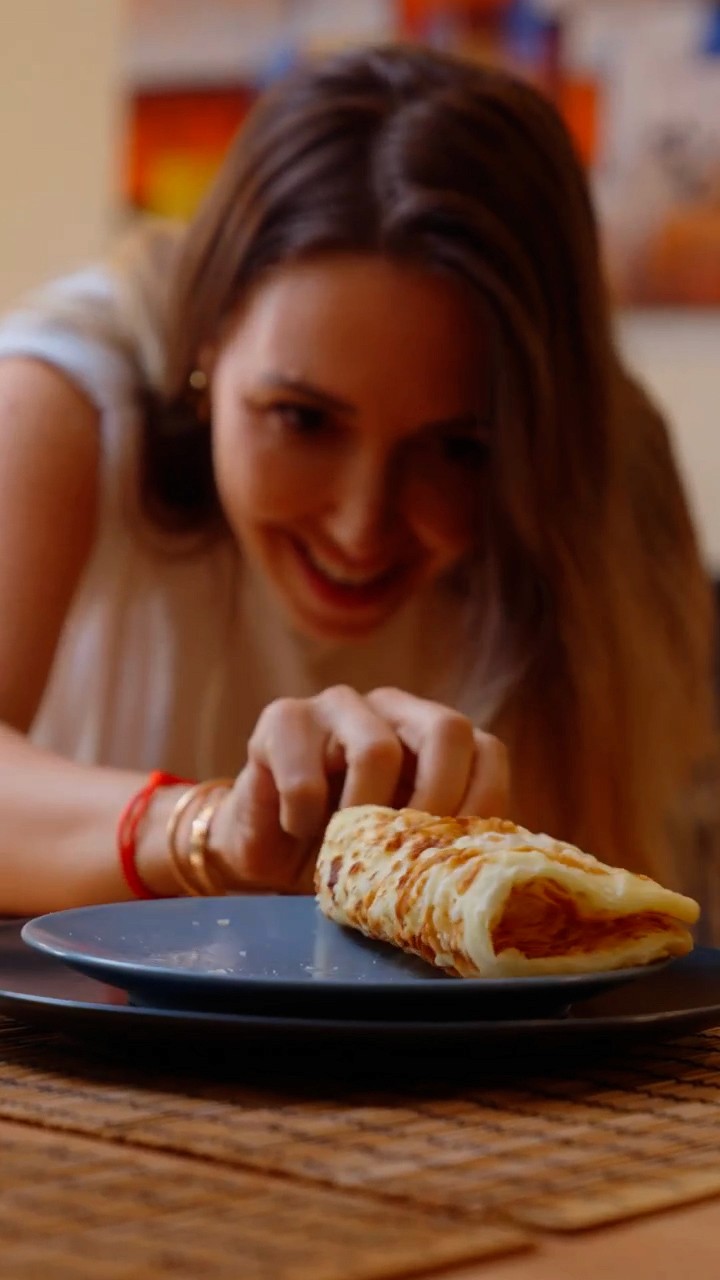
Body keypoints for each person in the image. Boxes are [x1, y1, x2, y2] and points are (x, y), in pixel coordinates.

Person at [0, 43, 714, 917]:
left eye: (459, 448)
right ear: (207, 338)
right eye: (302, 419)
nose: (359, 525)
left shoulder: (611, 489)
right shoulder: (59, 400)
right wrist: (209, 830)